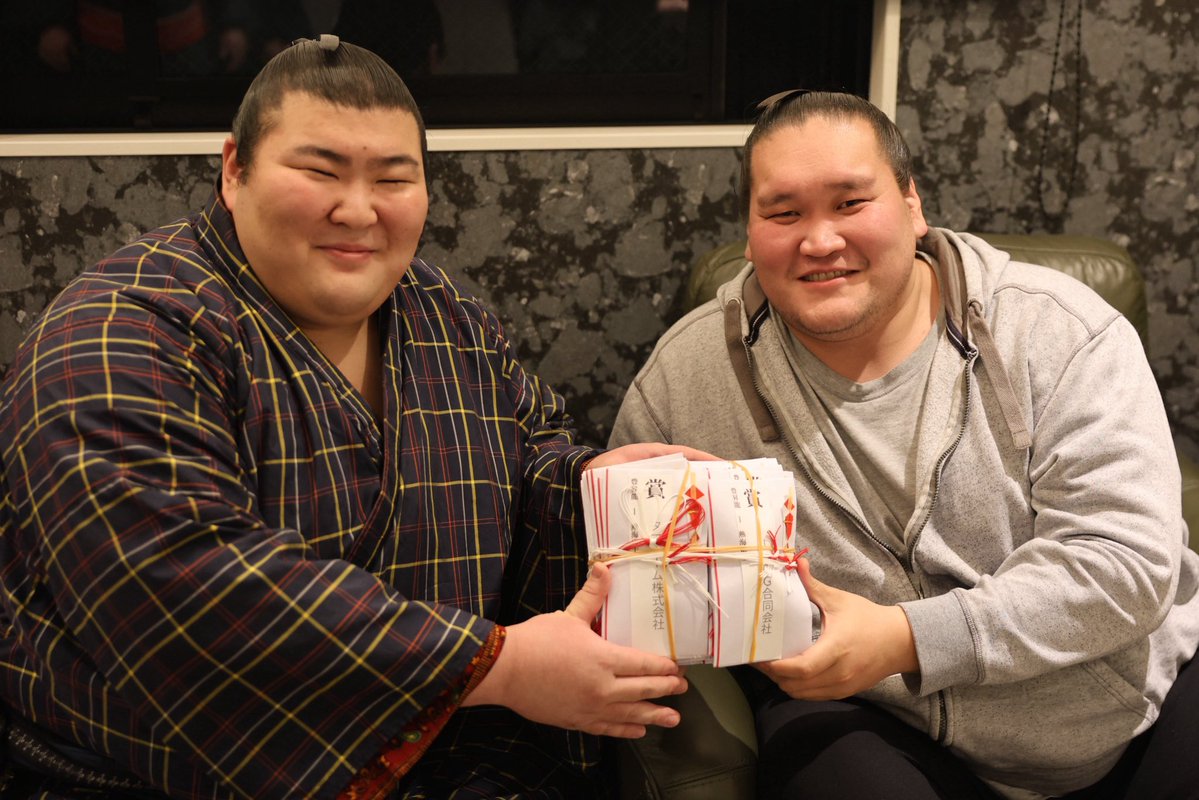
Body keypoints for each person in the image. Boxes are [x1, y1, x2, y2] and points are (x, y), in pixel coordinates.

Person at [0, 36, 696, 799]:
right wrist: (497, 667)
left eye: (393, 179)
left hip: (456, 761)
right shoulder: (119, 332)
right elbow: (183, 583)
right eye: (320, 171)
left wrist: (592, 484)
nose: (358, 209)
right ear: (234, 170)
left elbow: (525, 462)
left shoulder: (447, 316)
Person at [610, 90, 1199, 800]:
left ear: (913, 204)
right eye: (783, 213)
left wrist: (907, 637)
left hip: (1130, 706)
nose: (819, 240)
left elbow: (1125, 565)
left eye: (850, 203)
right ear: (750, 229)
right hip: (877, 718)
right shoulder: (685, 376)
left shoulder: (1062, 333)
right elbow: (637, 587)